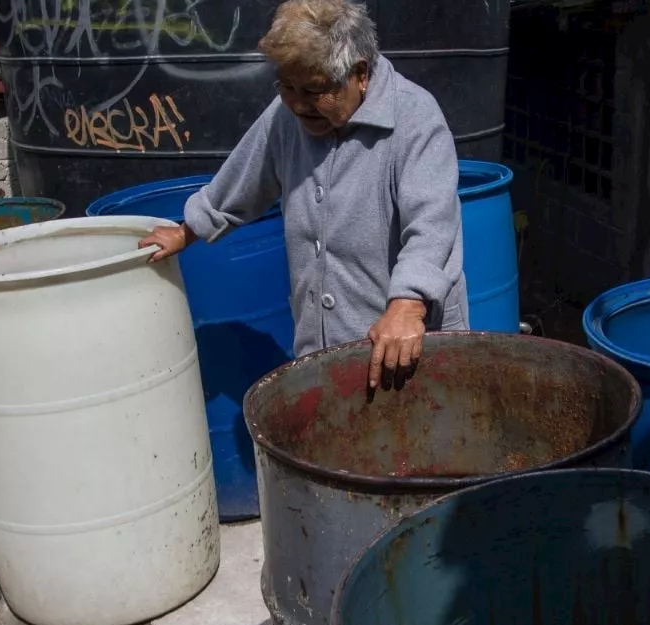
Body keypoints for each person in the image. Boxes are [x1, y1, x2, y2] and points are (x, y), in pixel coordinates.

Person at [139, 0, 468, 390]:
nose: (296, 104)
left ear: (360, 73)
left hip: (408, 349)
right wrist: (188, 230)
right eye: (286, 87)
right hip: (324, 345)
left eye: (313, 90)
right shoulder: (288, 116)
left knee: (419, 446)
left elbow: (431, 225)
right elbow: (245, 176)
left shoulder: (414, 119)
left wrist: (408, 304)